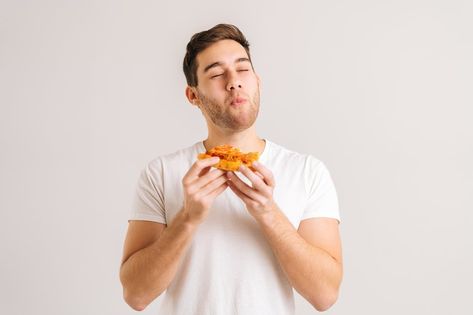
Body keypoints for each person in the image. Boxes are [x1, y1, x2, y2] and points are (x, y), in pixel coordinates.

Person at [119, 23, 343, 315]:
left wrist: (268, 213)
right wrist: (187, 219)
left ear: (258, 81)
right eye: (215, 73)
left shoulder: (307, 171)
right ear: (193, 96)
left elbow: (325, 295)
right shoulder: (161, 172)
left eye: (243, 69)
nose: (234, 81)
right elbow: (136, 295)